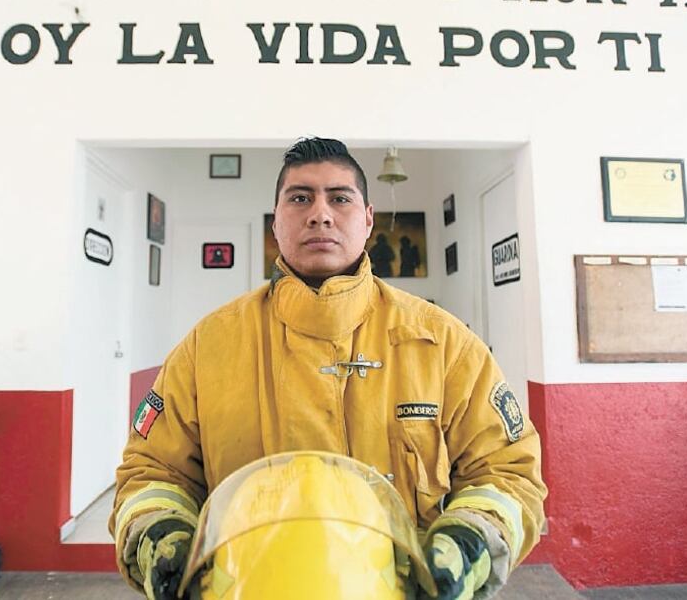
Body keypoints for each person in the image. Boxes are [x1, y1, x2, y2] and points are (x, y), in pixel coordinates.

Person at [111, 137, 546, 600]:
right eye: (300, 198)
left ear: (368, 219)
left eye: (340, 198)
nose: (320, 213)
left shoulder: (443, 343)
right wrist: (162, 535)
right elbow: (152, 470)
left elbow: (506, 471)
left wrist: (465, 546)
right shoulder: (207, 346)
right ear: (276, 221)